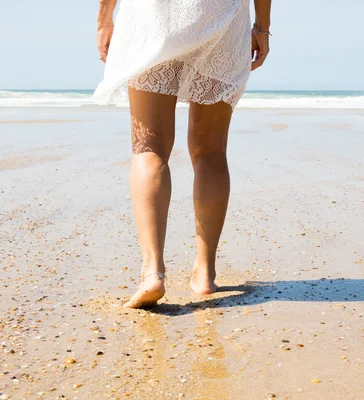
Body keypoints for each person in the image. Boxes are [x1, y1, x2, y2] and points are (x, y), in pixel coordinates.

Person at [93, 0, 271, 308]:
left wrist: (105, 19)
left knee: (150, 149)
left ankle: (152, 272)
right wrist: (262, 26)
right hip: (222, 16)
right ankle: (204, 273)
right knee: (211, 151)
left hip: (153, 15)